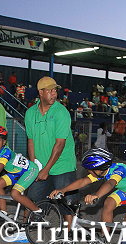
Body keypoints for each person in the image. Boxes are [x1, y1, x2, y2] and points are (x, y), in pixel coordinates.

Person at [24, 76, 77, 212]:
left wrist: (46, 170)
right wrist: (34, 166)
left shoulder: (61, 112)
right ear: (41, 92)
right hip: (42, 166)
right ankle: (30, 224)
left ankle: (69, 226)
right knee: (32, 200)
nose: (54, 94)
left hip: (62, 166)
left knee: (67, 204)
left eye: (55, 90)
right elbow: (31, 140)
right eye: (50, 91)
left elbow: (60, 144)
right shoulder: (30, 113)